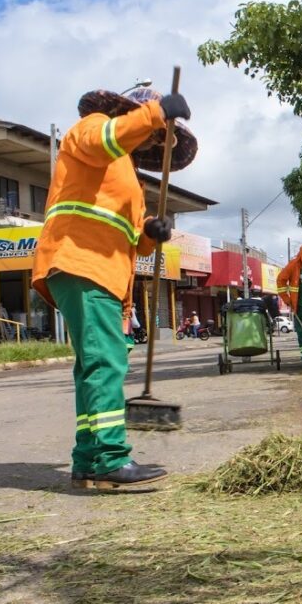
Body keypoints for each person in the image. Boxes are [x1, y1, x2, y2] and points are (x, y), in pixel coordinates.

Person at [32, 84, 196, 490]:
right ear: (131, 114)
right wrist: (158, 111)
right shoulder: (93, 128)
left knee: (93, 365)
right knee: (105, 363)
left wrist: (151, 234)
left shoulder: (127, 173)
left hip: (103, 271)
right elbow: (107, 139)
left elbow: (131, 237)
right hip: (80, 260)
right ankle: (110, 457)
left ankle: (88, 458)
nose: (150, 136)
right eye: (149, 127)